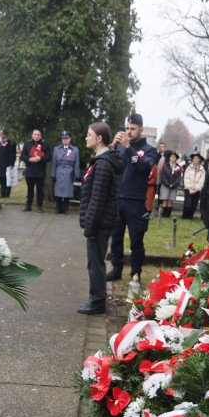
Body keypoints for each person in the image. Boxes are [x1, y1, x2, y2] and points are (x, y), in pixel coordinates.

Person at [106, 113, 159, 283]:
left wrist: (128, 148)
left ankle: (135, 272)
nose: (128, 132)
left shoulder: (150, 151)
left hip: (136, 202)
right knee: (116, 237)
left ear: (141, 130)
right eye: (127, 128)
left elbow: (143, 167)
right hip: (118, 198)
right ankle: (116, 268)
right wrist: (113, 146)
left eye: (133, 129)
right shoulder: (120, 147)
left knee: (136, 240)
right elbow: (106, 162)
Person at [78, 122, 123, 314]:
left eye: (89, 135)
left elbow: (97, 199)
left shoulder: (103, 164)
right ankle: (96, 300)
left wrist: (90, 228)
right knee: (94, 263)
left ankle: (97, 303)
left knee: (95, 264)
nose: (86, 138)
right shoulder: (100, 160)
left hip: (99, 224)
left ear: (99, 139)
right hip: (100, 222)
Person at [19, 129, 51, 212]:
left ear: (41, 136)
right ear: (32, 135)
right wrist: (30, 159)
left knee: (39, 190)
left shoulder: (45, 145)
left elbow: (49, 157)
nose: (36, 136)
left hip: (40, 171)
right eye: (35, 134)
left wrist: (40, 158)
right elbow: (22, 156)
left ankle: (40, 206)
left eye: (38, 135)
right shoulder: (27, 144)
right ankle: (28, 205)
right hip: (30, 170)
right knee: (30, 189)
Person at [51, 130, 79, 215]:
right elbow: (54, 163)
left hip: (69, 171)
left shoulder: (74, 150)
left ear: (70, 139)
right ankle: (58, 208)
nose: (65, 140)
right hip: (59, 171)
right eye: (63, 139)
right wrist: (53, 173)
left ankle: (66, 209)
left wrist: (76, 173)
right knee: (58, 191)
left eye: (66, 138)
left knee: (68, 191)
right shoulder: (56, 149)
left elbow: (77, 162)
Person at [157, 150, 183, 218]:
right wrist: (168, 184)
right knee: (165, 199)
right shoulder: (165, 166)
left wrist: (174, 184)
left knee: (170, 200)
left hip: (174, 186)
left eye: (174, 157)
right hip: (165, 185)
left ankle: (168, 214)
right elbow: (162, 176)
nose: (173, 158)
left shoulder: (178, 167)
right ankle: (163, 214)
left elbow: (179, 178)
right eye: (171, 156)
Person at [181, 152, 206, 220]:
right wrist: (189, 188)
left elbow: (202, 180)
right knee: (187, 204)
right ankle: (184, 216)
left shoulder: (202, 169)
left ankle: (190, 216)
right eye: (194, 158)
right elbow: (186, 178)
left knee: (194, 204)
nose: (195, 160)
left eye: (197, 158)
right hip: (188, 189)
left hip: (197, 190)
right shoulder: (189, 168)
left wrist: (196, 189)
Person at [0, 128, 16, 198]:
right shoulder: (1, 142)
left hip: (7, 163)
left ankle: (7, 193)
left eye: (2, 134)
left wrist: (11, 164)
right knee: (1, 178)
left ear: (5, 134)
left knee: (7, 178)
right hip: (1, 163)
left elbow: (12, 154)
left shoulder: (10, 142)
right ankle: (2, 193)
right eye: (0, 133)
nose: (1, 135)